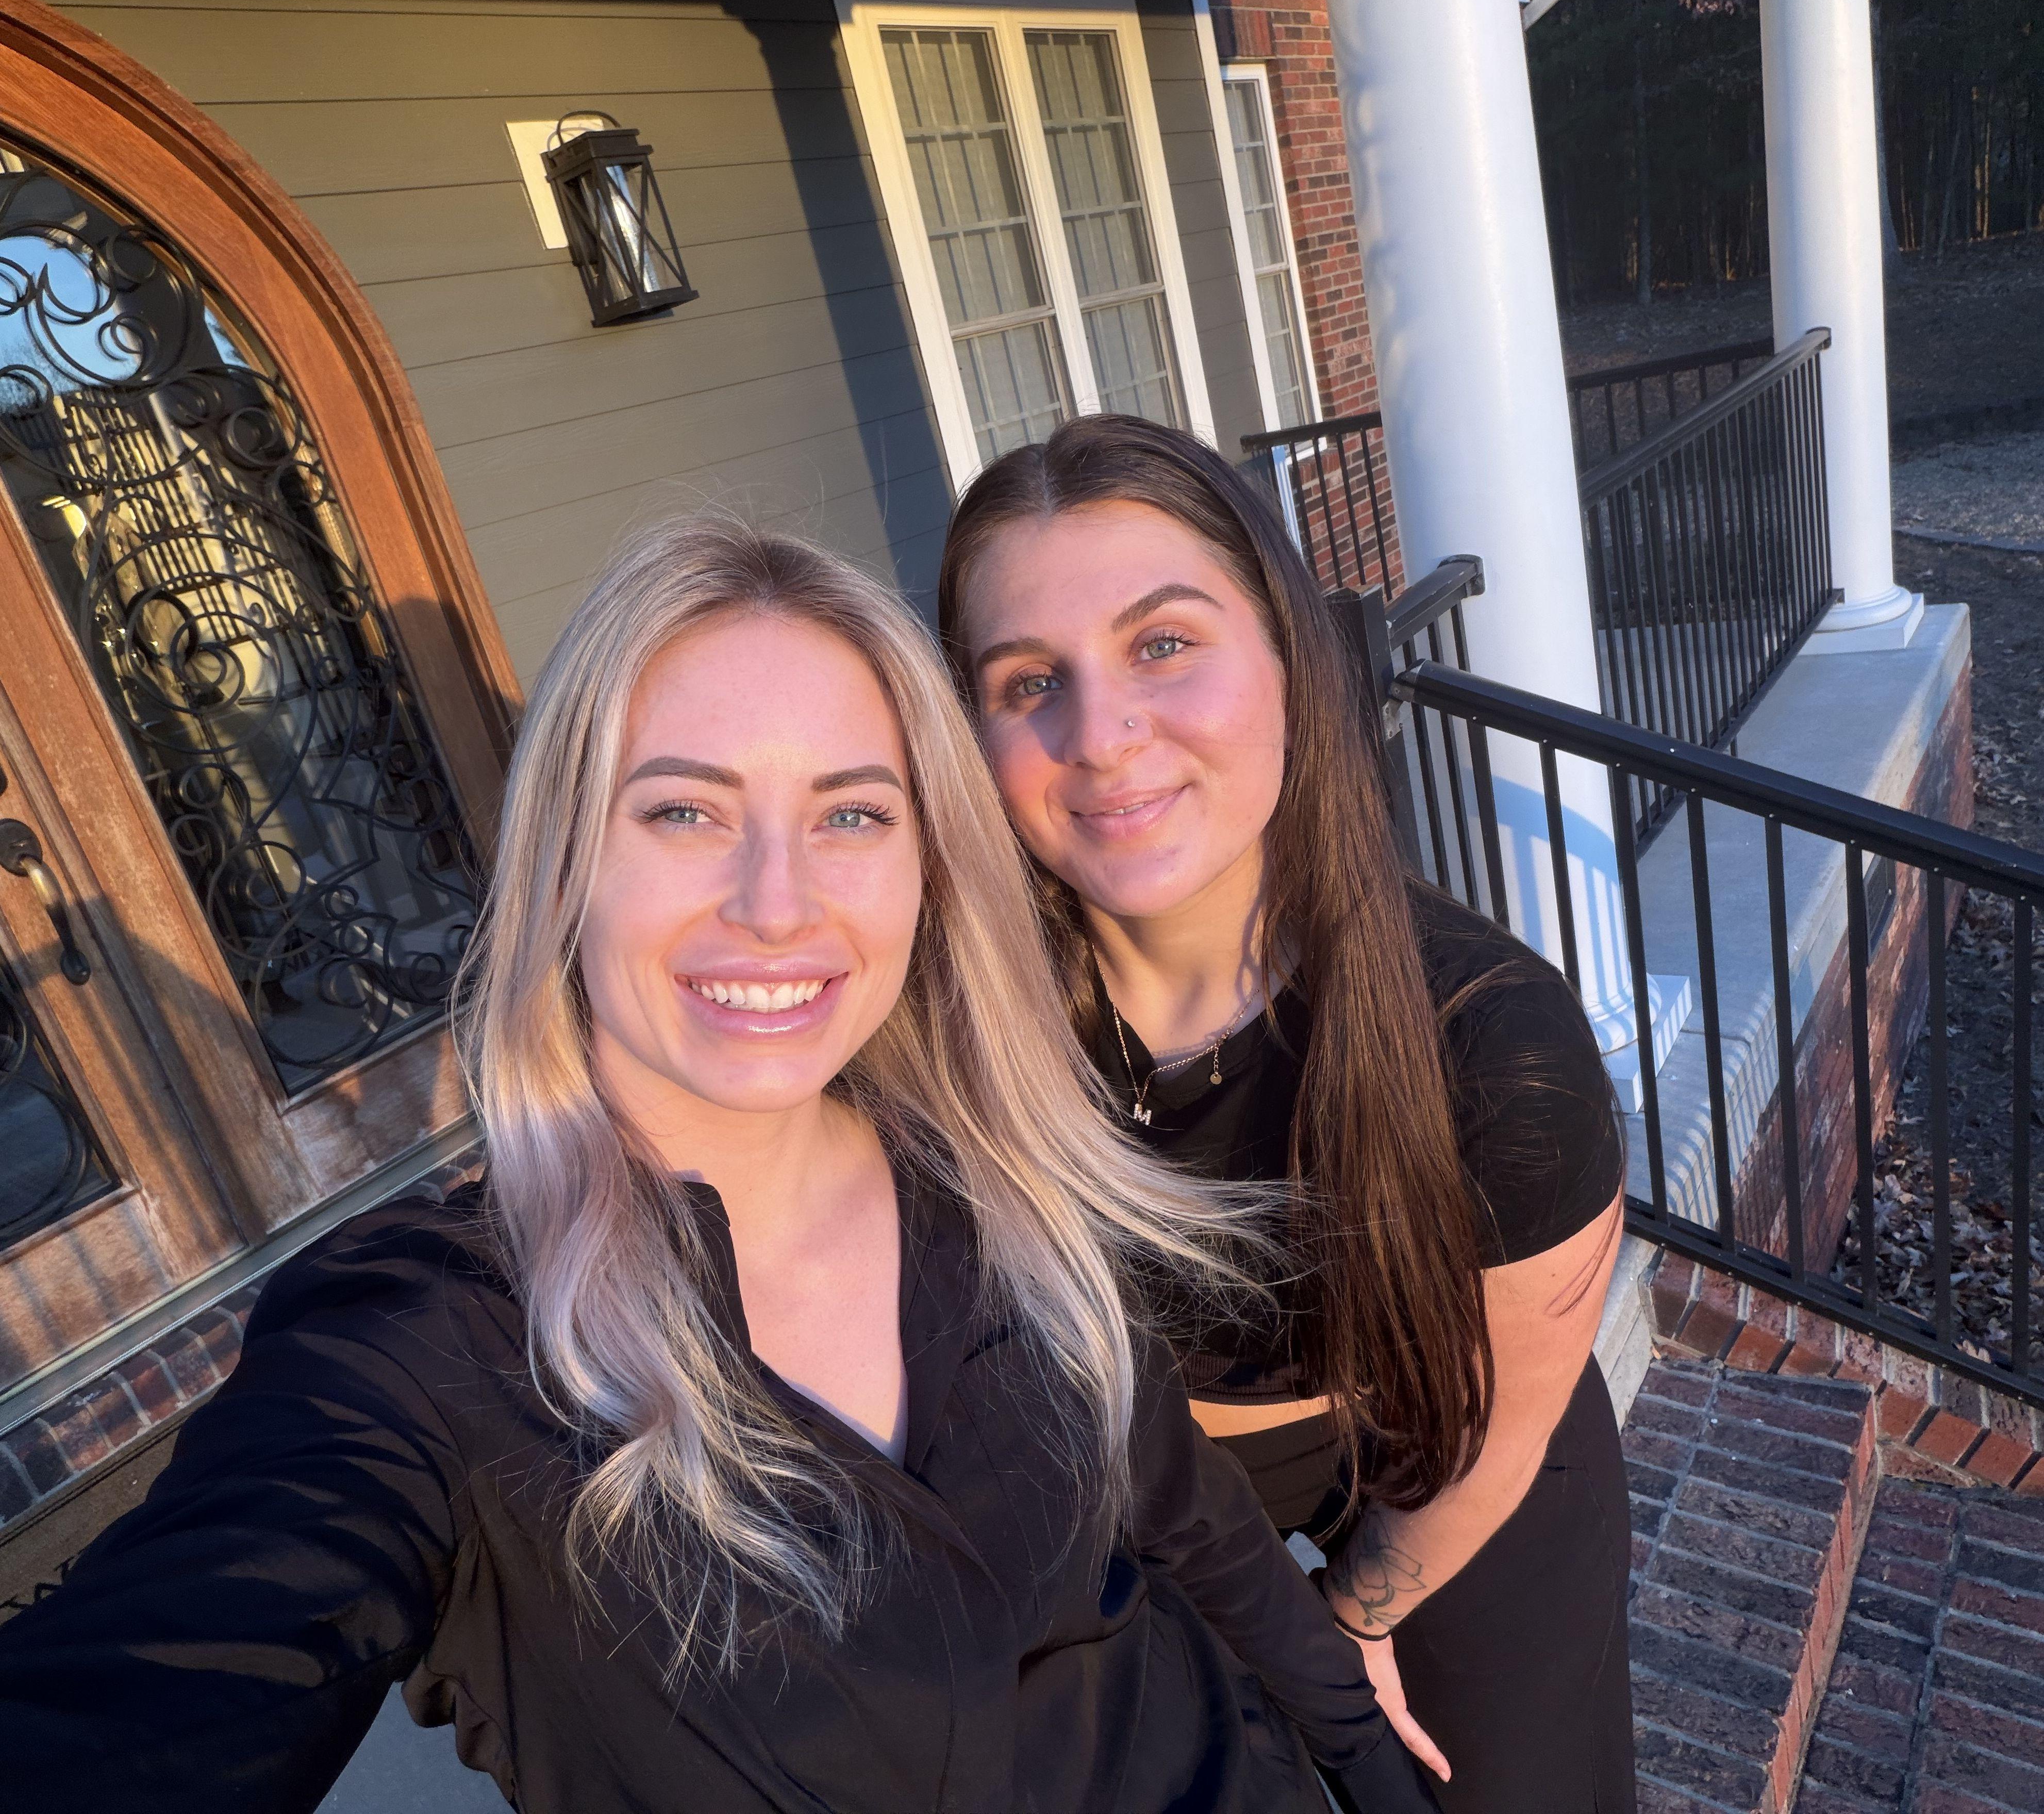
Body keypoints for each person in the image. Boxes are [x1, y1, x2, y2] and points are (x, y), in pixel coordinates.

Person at [0, 522, 1440, 1814]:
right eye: (684, 811)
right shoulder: (427, 1348)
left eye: (853, 814)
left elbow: (1193, 1522)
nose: (776, 903)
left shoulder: (999, 1183)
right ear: (568, 859)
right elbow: (168, 1678)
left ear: (928, 870)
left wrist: (1372, 1772)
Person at [939, 416, 1635, 1814]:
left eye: (1162, 644)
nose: (1101, 737)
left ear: (1287, 659)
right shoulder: (953, 1044)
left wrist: (1357, 1617)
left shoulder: (1492, 1045)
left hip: (1448, 1468)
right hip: (1150, 1514)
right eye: (1029, 682)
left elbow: (1505, 1420)